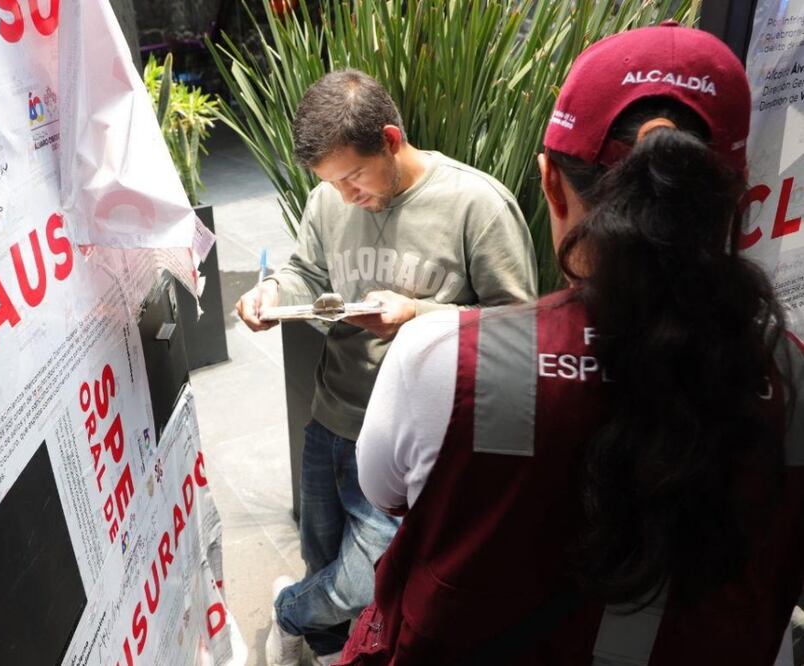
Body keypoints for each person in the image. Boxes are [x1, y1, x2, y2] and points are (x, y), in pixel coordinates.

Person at [341, 22, 804, 666]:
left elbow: (387, 494)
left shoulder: (440, 358)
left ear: (550, 182)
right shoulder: (789, 375)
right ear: (736, 199)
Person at [235, 69, 537, 666]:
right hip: (332, 414)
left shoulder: (477, 204)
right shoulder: (328, 199)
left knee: (373, 574)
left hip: (417, 434)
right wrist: (275, 290)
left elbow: (520, 329)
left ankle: (290, 612)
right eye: (331, 183)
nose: (346, 196)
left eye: (353, 177)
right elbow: (310, 274)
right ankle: (322, 648)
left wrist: (419, 316)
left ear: (392, 139)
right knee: (322, 555)